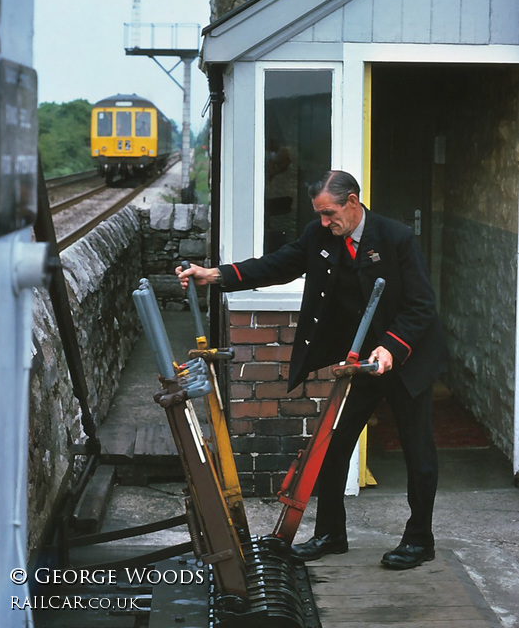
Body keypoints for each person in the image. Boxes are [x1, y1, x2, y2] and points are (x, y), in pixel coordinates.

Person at [176, 170, 449, 570]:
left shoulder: (396, 238)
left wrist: (390, 347)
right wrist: (214, 275)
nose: (324, 222)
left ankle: (420, 539)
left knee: (418, 452)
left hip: (405, 359)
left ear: (352, 203)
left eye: (329, 213)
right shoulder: (321, 236)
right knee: (334, 448)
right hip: (362, 365)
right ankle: (331, 534)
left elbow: (421, 305)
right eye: (319, 215)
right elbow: (277, 265)